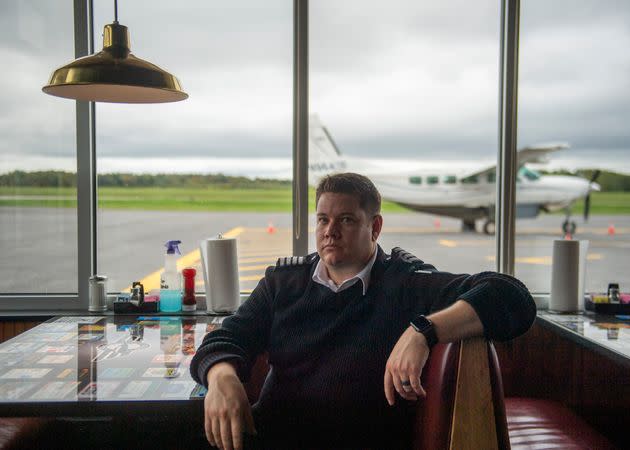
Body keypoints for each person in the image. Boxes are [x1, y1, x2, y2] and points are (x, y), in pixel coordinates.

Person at [190, 172, 536, 450]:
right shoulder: (284, 282)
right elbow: (226, 336)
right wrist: (221, 378)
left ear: (376, 227)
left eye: (346, 220)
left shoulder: (407, 283)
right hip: (271, 436)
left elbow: (512, 296)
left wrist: (424, 331)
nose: (330, 232)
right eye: (323, 220)